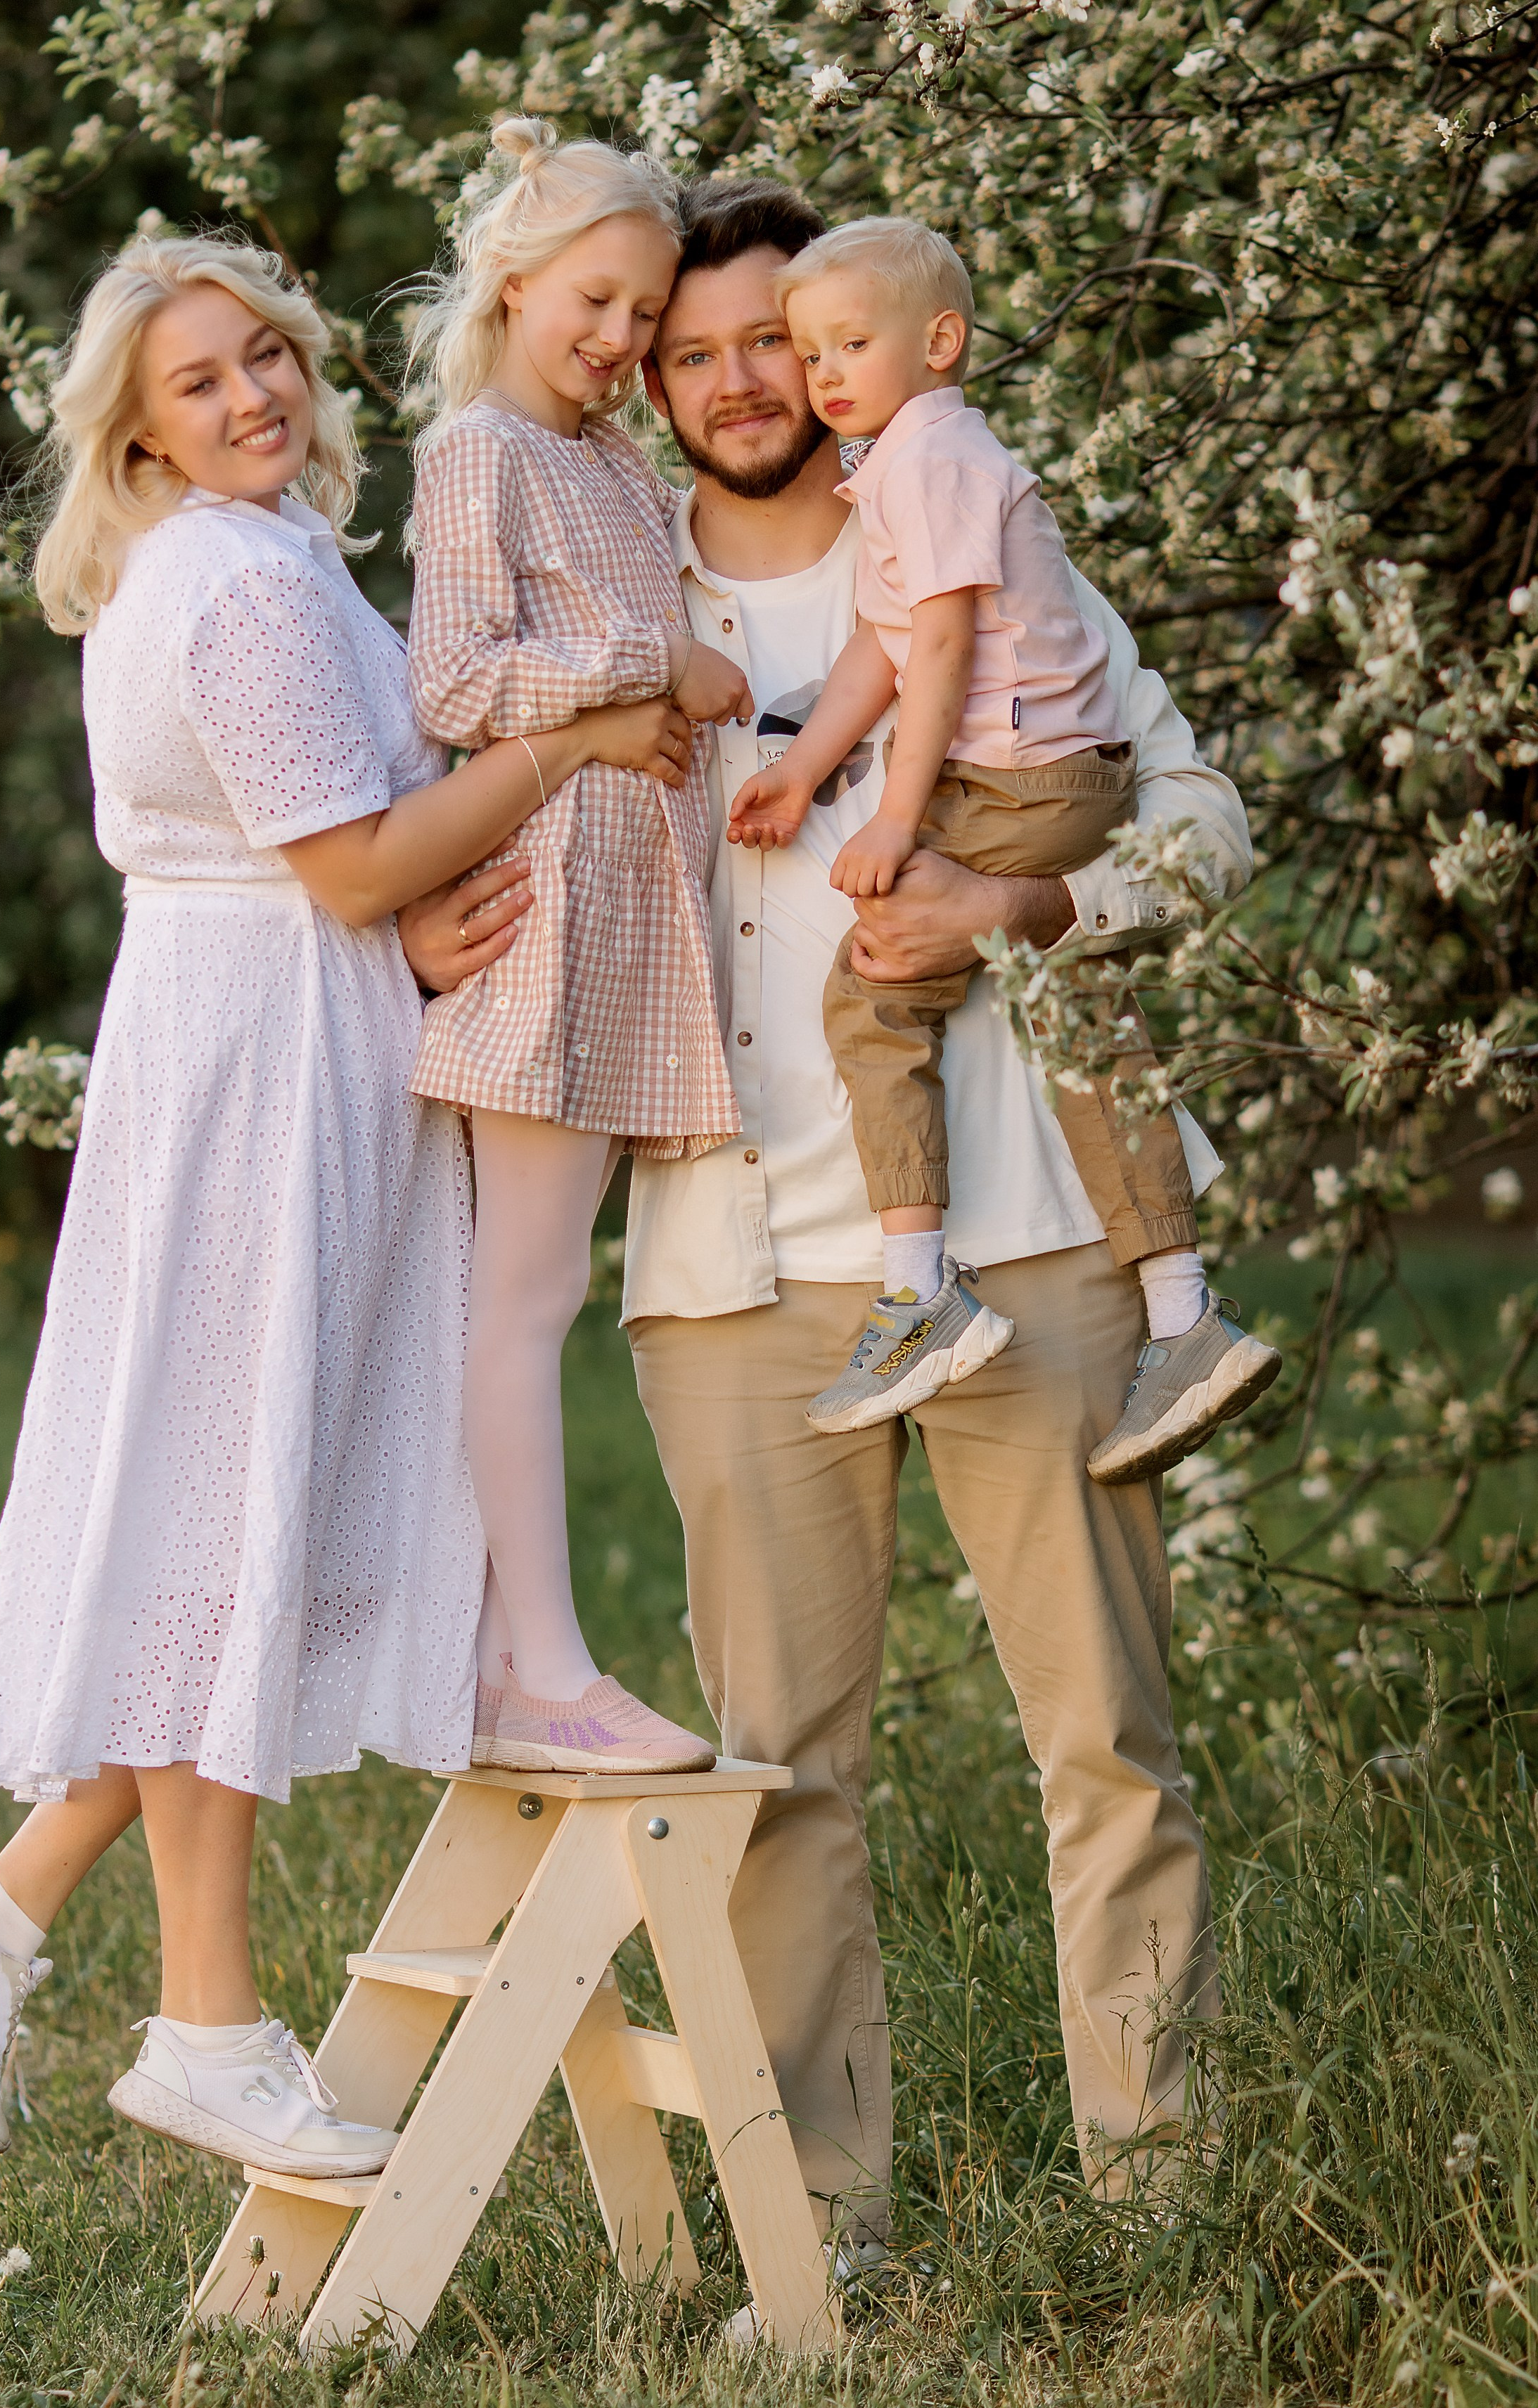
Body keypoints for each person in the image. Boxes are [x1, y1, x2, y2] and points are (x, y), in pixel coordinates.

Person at [403, 176, 1248, 2253]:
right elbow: (429, 830)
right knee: (778, 1770)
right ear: (653, 379)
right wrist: (420, 930)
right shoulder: (606, 596)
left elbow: (1204, 814)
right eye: (687, 351)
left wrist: (1024, 898)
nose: (734, 380)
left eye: (769, 340)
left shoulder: (978, 541)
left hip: (1025, 1241)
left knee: (1110, 1742)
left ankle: (1166, 2205)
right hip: (725, 1268)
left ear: (849, 348)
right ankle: (823, 2228)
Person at [0, 231, 691, 2180]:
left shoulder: (270, 557)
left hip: (285, 1041)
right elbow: (346, 867)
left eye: (264, 358)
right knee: (220, 1507)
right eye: (197, 383)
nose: (251, 397)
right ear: (138, 438)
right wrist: (568, 740)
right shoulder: (228, 585)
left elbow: (353, 873)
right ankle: (204, 2027)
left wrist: (413, 918)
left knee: (226, 1500)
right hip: (252, 1068)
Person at [728, 215, 1279, 1469]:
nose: (819, 377)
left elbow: (939, 653)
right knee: (1083, 1019)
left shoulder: (930, 463)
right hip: (1058, 778)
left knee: (871, 1005)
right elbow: (882, 637)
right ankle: (1181, 1309)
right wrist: (807, 765)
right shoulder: (912, 464)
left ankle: (920, 1293)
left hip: (1019, 779)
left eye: (844, 344)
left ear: (940, 342)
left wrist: (889, 817)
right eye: (806, 351)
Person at [401, 118, 751, 1775]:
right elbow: (454, 683)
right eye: (592, 305)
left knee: (537, 1285)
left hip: (626, 923)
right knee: (525, 1293)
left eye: (640, 316)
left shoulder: (613, 461)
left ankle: (497, 1643)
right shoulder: (478, 451)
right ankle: (537, 1662)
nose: (618, 344)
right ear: (515, 281)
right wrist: (644, 674)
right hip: (543, 916)